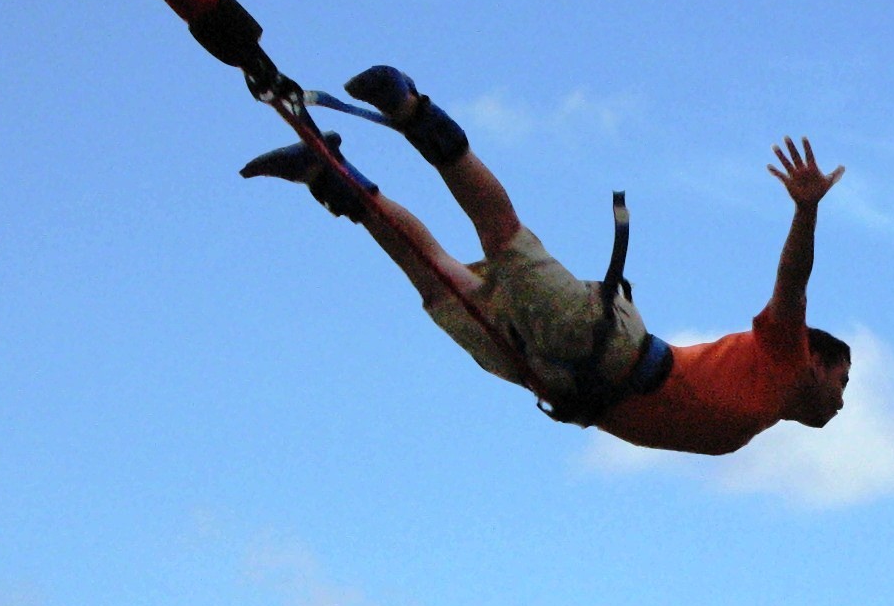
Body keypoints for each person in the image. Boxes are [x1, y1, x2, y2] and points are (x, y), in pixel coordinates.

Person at [241, 67, 849, 453]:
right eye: (843, 381)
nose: (843, 401)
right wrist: (806, 210)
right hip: (603, 346)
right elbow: (793, 281)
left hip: (558, 380)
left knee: (433, 279)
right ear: (815, 362)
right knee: (502, 238)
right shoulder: (782, 356)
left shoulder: (760, 419)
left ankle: (328, 174)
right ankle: (414, 112)